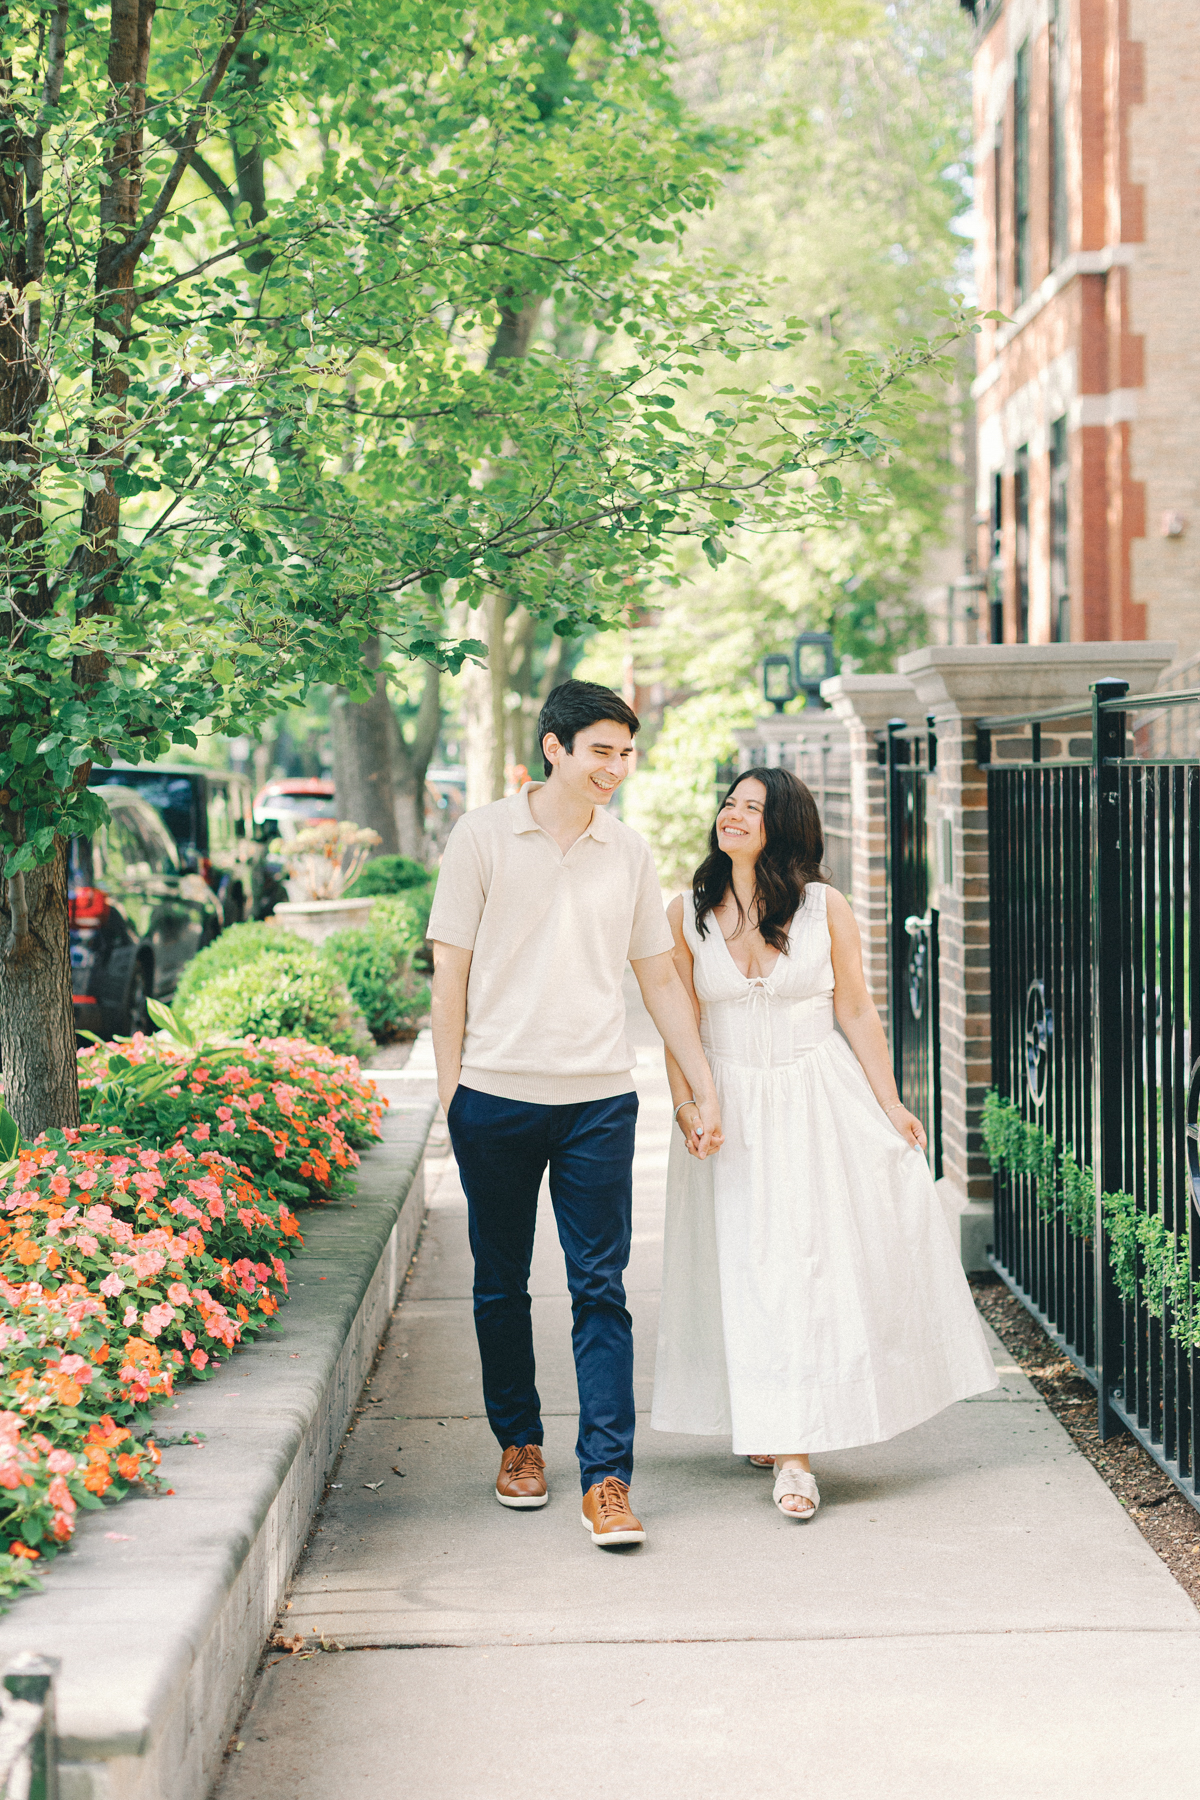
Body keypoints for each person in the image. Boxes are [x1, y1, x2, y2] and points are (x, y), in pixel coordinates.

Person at [651, 767, 997, 1520]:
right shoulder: (686, 911)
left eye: (752, 807)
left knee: (800, 1269)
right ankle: (767, 1414)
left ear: (784, 825)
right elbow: (679, 1024)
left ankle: (796, 1452)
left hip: (814, 1099)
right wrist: (687, 1106)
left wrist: (892, 1104)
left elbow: (859, 1010)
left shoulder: (823, 907)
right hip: (727, 1109)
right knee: (745, 1271)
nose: (733, 815)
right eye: (730, 803)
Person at [429, 679, 723, 1549]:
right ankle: (520, 1444)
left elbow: (658, 977)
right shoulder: (482, 836)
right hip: (495, 1096)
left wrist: (701, 1081)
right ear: (553, 747)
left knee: (602, 1289)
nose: (617, 768)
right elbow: (450, 973)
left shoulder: (627, 851)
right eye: (602, 751)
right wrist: (453, 1096)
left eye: (627, 753)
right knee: (500, 1283)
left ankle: (607, 1479)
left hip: (597, 1098)